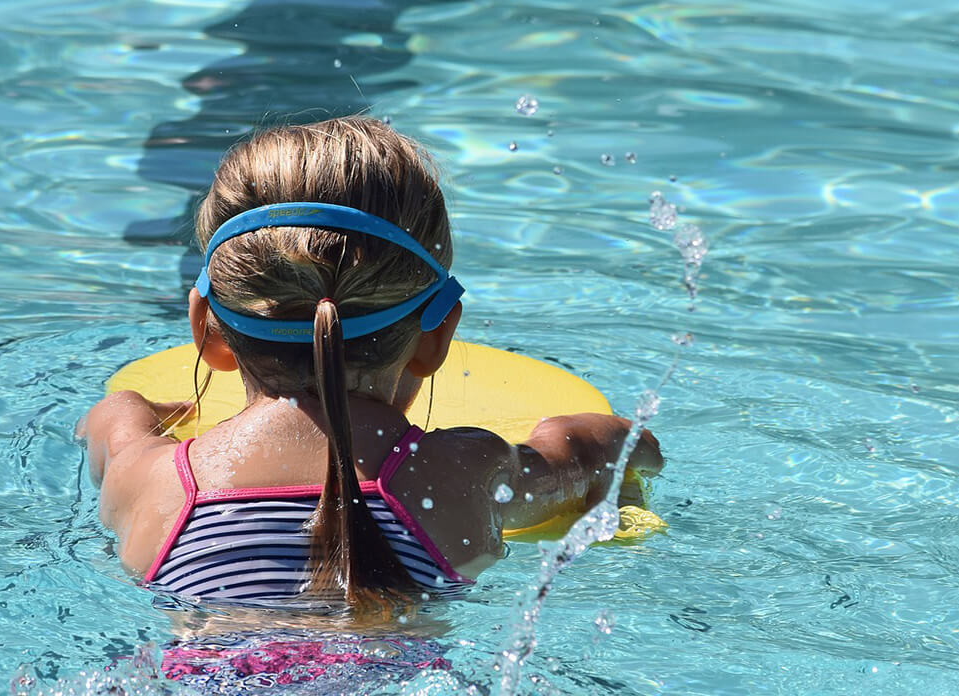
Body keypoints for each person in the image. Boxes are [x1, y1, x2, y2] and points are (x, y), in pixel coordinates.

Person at [81, 116, 662, 621]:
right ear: (436, 337)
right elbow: (603, 450)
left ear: (207, 331)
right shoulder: (456, 472)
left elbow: (111, 416)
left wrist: (146, 410)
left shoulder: (151, 481)